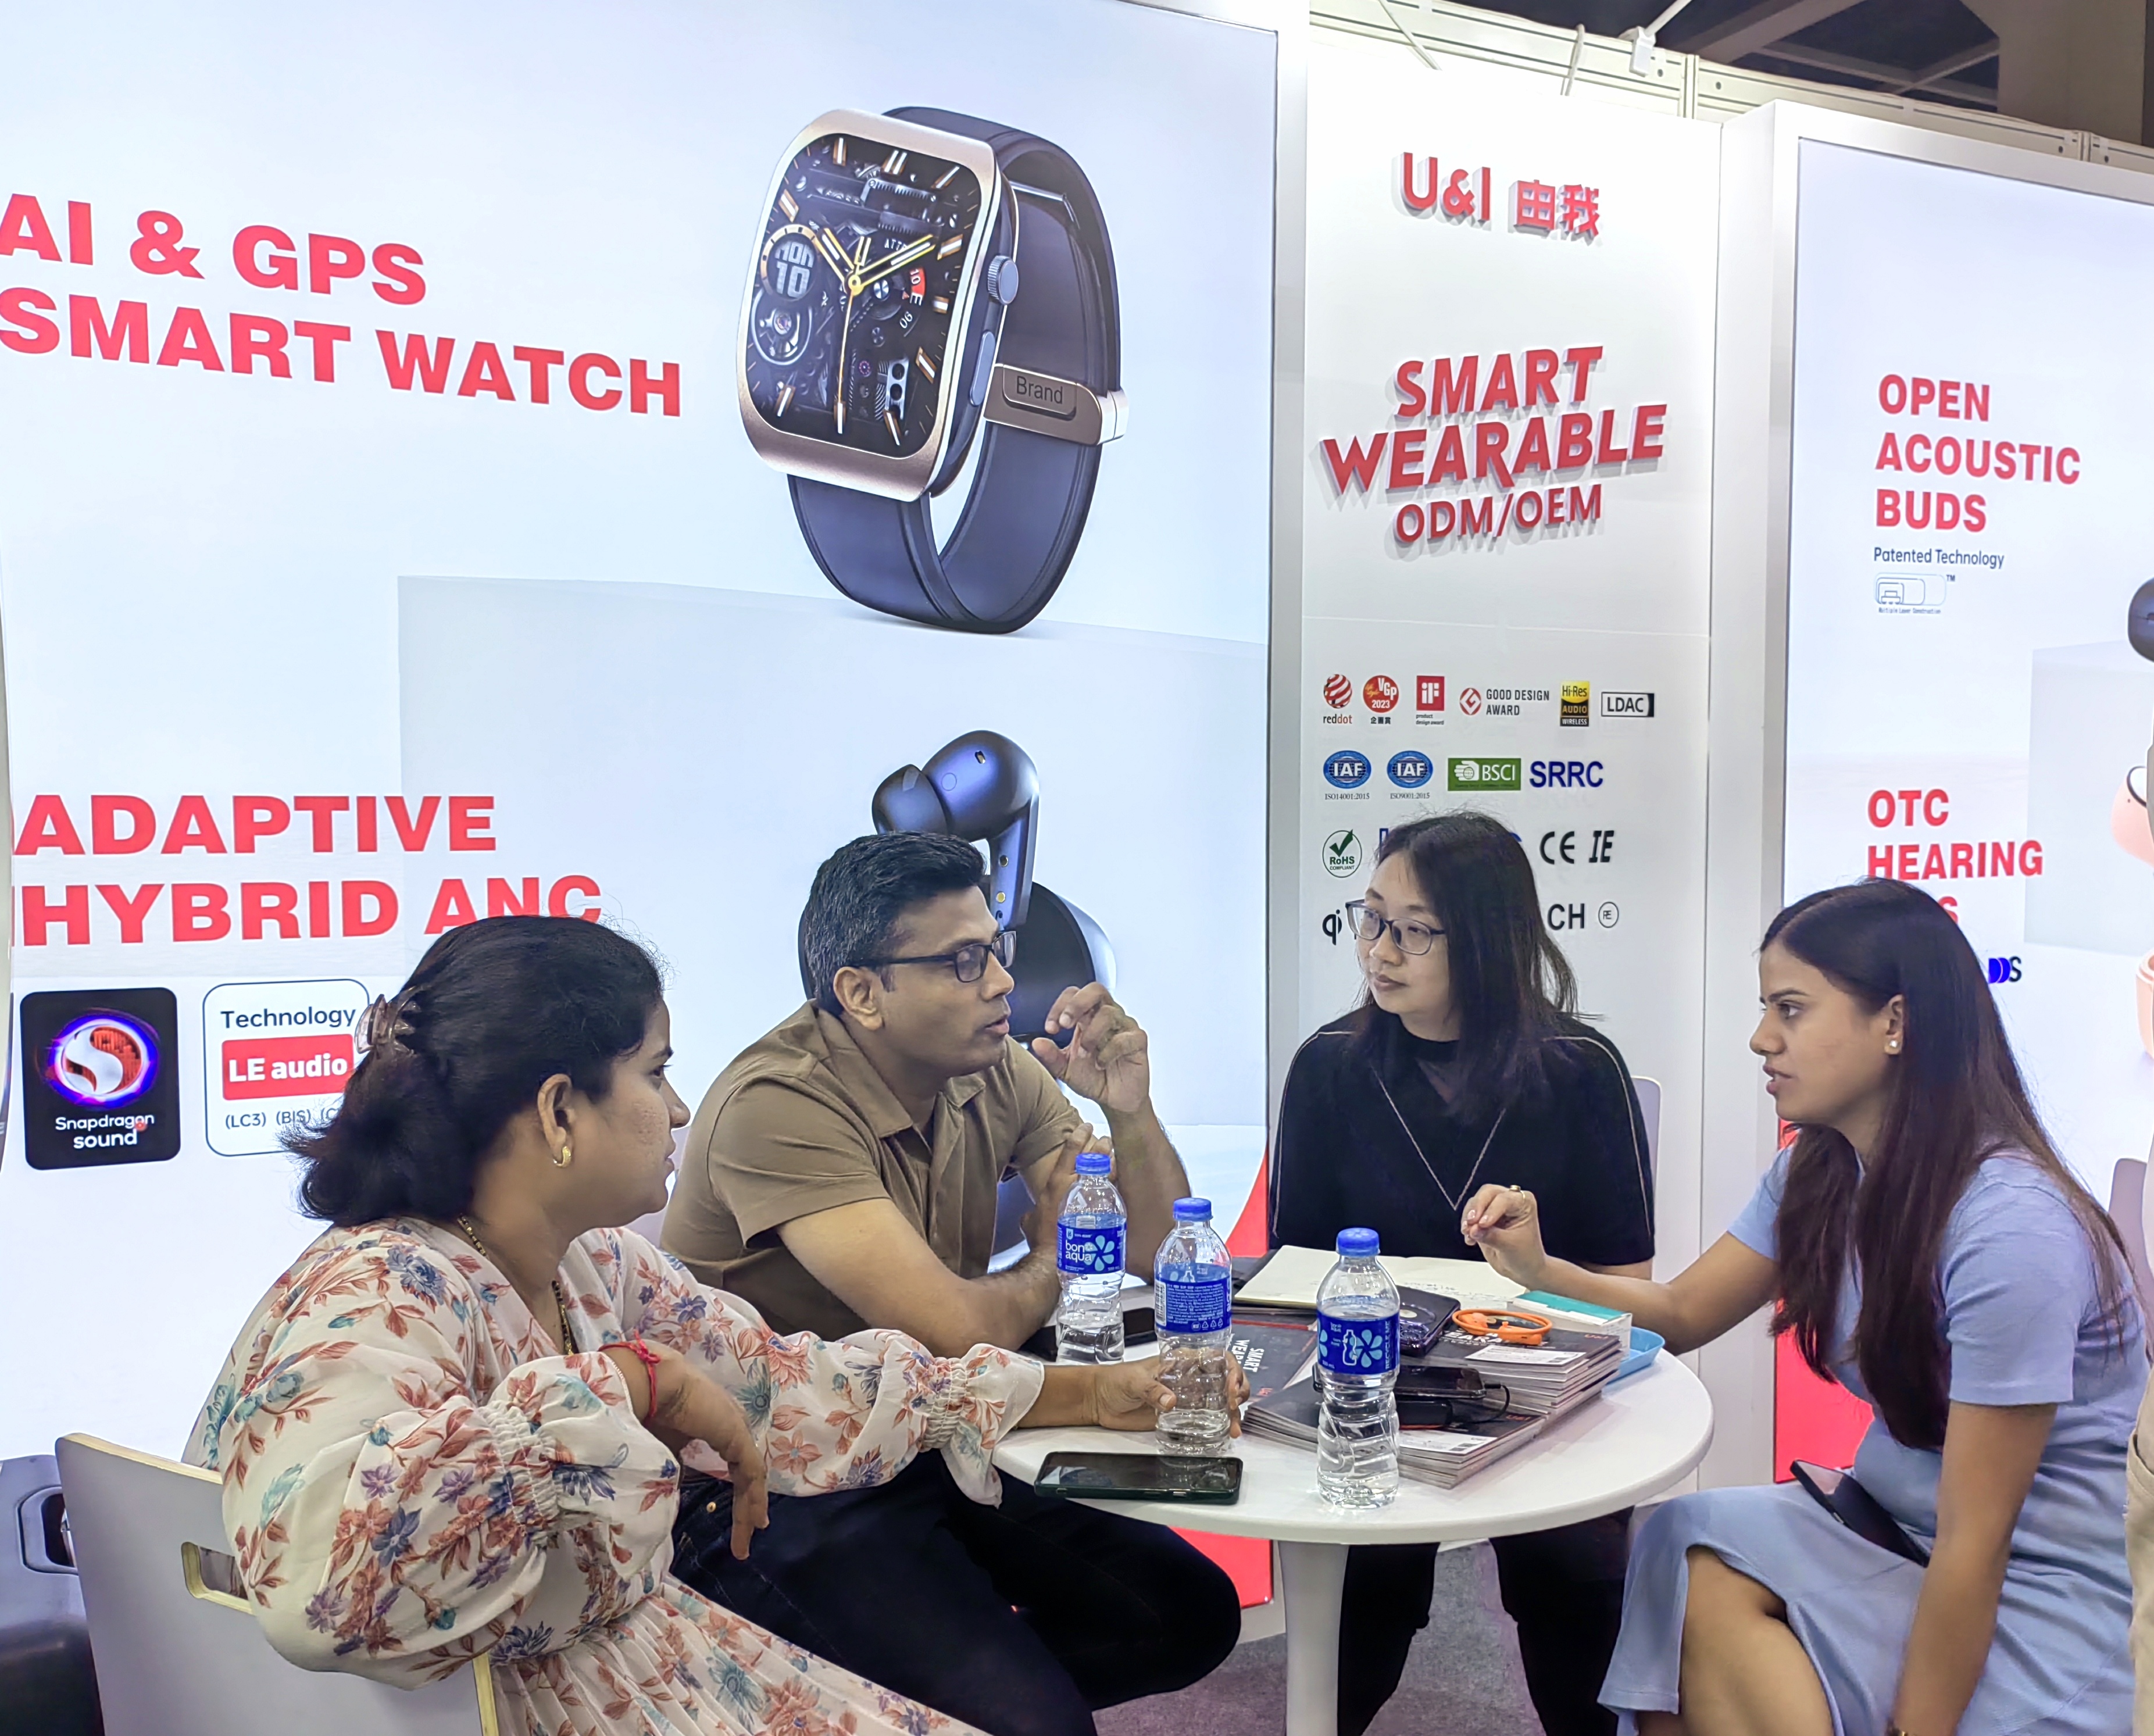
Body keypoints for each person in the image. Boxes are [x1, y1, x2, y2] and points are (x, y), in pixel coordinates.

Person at [185, 916, 1230, 1736]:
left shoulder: (594, 1262)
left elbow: (790, 1384)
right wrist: (628, 1386)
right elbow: (334, 1585)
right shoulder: (376, 1291)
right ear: (558, 1111)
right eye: (654, 1072)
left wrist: (1090, 1391)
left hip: (611, 1666)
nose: (680, 1108)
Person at [1463, 877, 2143, 1736]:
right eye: (1765, 1009)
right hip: (1892, 1528)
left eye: (1789, 1009)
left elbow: (1975, 1543)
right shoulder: (1819, 1170)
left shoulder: (2013, 1229)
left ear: (1895, 1022)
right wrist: (1536, 1267)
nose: (1760, 1038)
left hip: (2038, 1581)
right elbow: (1682, 1310)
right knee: (1683, 1542)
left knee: (1708, 1629)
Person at [662, 832, 1239, 1736]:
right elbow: (951, 1326)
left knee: (1187, 1615)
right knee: (1037, 1724)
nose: (1003, 981)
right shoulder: (778, 1103)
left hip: (932, 1429)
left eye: (996, 949)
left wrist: (1128, 1110)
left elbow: (1154, 1246)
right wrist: (1053, 1262)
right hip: (776, 1479)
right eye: (964, 961)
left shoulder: (992, 1064)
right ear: (862, 992)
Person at [1271, 811, 1655, 1736]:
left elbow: (1628, 1283)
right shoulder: (1328, 1067)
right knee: (1362, 1588)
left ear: (1485, 939)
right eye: (1371, 919)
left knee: (1575, 1578)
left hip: (1545, 1389)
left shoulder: (1580, 1070)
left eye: (1413, 930)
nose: (1378, 950)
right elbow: (1294, 1278)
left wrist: (1536, 1271)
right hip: (1376, 1387)